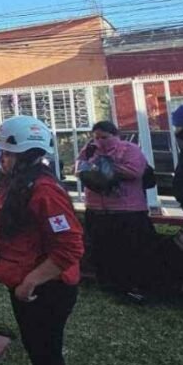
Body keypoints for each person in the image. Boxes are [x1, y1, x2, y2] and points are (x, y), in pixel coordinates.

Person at [0, 116, 84, 365]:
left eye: (6, 154)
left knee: (47, 358)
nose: (2, 160)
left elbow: (70, 246)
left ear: (23, 155)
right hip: (26, 287)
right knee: (39, 354)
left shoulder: (43, 190)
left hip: (44, 290)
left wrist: (31, 281)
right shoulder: (18, 185)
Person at [76, 120, 154, 301]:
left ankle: (132, 286)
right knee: (102, 250)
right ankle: (108, 284)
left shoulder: (129, 149)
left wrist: (107, 167)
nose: (100, 141)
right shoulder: (89, 150)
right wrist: (93, 165)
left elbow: (135, 171)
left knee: (128, 251)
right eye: (96, 137)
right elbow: (79, 168)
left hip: (127, 210)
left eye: (104, 137)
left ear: (115, 135)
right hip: (97, 208)